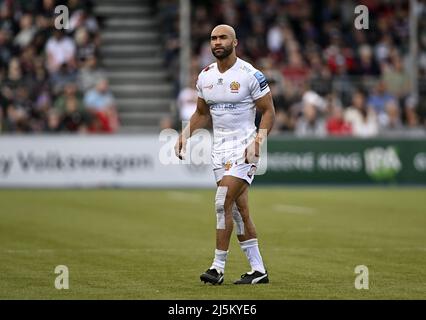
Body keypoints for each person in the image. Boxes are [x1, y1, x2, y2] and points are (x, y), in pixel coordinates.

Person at [174, 25, 275, 285]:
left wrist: (258, 141)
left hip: (245, 150)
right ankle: (258, 270)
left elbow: (268, 111)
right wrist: (184, 135)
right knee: (240, 212)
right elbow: (200, 113)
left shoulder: (250, 74)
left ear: (235, 42)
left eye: (223, 38)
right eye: (213, 38)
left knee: (221, 202)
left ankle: (217, 268)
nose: (217, 42)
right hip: (219, 152)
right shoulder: (205, 76)